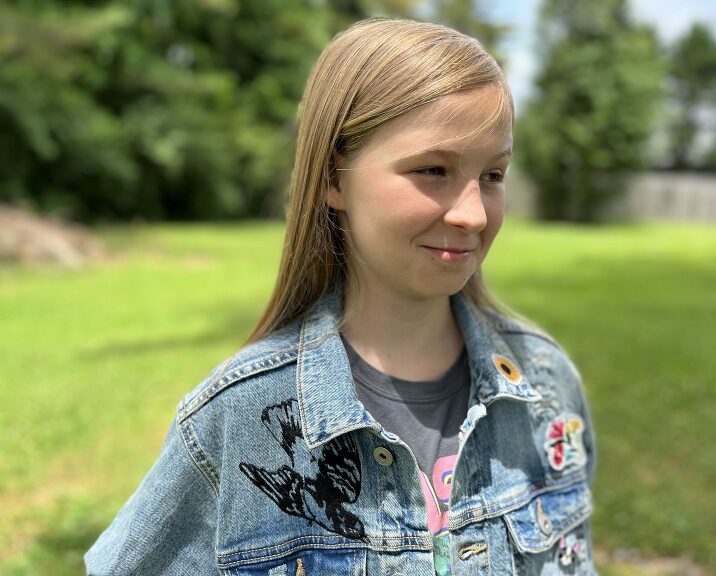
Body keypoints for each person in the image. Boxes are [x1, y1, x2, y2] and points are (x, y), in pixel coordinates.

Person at [86, 17, 597, 576]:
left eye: (493, 175)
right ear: (334, 178)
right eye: (433, 170)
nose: (473, 214)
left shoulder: (546, 384)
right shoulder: (239, 419)